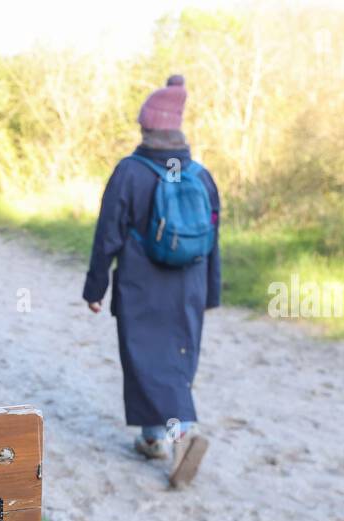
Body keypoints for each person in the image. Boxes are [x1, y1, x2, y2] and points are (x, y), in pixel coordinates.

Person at [82, 74, 221, 489]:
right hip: (189, 287)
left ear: (146, 128)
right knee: (176, 360)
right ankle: (151, 436)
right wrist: (210, 291)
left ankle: (181, 434)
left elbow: (107, 234)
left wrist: (94, 289)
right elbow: (215, 238)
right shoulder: (201, 175)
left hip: (141, 287)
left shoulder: (129, 172)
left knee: (144, 362)